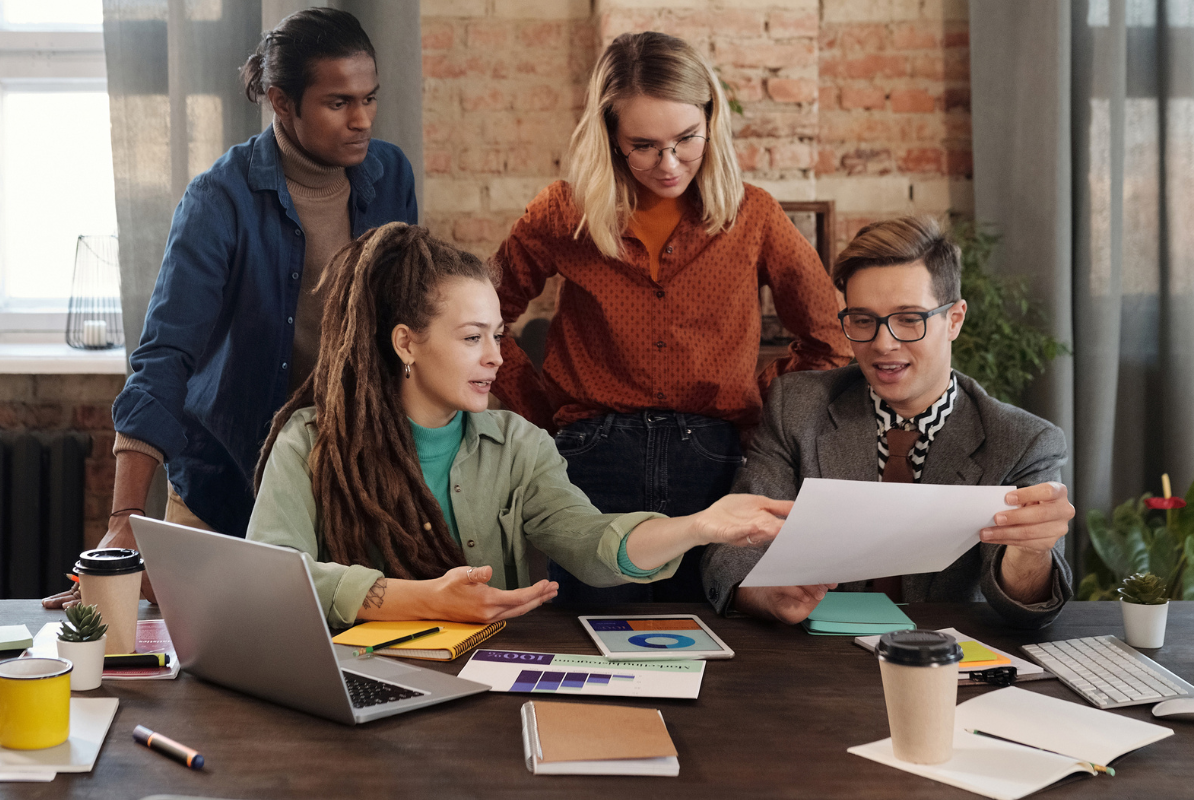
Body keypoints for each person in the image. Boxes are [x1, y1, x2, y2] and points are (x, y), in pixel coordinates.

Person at [44, 8, 417, 608]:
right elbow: (165, 355)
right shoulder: (218, 198)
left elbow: (405, 324)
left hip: (347, 486)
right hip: (226, 485)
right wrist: (124, 521)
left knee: (336, 671)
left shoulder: (390, 174)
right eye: (339, 102)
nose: (363, 120)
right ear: (281, 102)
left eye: (370, 98)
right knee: (206, 685)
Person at [247, 223, 793, 627]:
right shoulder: (310, 442)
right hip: (355, 684)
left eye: (498, 335)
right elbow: (271, 578)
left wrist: (698, 526)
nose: (496, 358)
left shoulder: (519, 445)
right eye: (471, 337)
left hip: (487, 686)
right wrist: (421, 599)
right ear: (406, 342)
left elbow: (590, 541)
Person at [490, 31, 852, 605]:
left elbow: (831, 340)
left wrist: (755, 398)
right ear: (610, 135)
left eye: (687, 139)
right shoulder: (563, 213)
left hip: (711, 461)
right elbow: (486, 318)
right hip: (590, 459)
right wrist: (539, 417)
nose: (669, 163)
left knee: (712, 638)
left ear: (712, 118)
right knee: (590, 639)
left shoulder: (753, 215)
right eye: (644, 145)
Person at [701, 216, 1076, 629]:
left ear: (954, 320)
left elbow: (1025, 607)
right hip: (817, 660)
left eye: (909, 319)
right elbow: (732, 548)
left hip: (946, 662)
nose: (883, 343)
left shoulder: (1023, 440)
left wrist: (1032, 550)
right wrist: (764, 594)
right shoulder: (797, 406)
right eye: (863, 320)